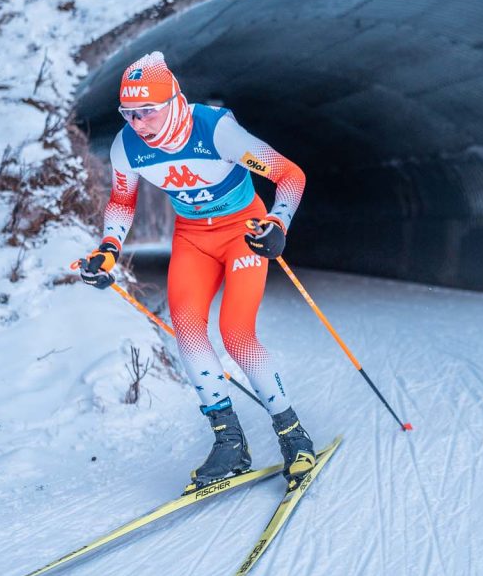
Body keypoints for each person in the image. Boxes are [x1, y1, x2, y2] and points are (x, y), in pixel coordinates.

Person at [78, 51, 316, 489]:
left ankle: (292, 435)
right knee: (187, 330)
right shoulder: (126, 146)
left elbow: (290, 175)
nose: (138, 124)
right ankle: (229, 443)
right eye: (128, 114)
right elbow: (122, 201)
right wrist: (108, 248)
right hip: (192, 237)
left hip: (242, 230)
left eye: (147, 112)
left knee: (237, 336)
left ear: (173, 103)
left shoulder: (215, 130)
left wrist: (278, 223)